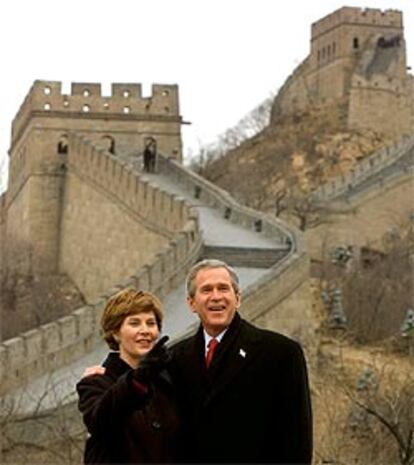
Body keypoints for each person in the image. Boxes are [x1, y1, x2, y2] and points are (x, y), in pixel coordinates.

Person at [170, 259, 313, 464]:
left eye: (223, 288)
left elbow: (297, 439)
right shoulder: (175, 357)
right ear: (191, 303)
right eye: (206, 290)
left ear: (237, 298)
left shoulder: (280, 353)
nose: (216, 296)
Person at [76, 288, 179, 464]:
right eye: (134, 323)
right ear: (116, 333)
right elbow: (100, 419)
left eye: (151, 323)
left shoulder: (168, 383)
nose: (145, 330)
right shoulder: (96, 382)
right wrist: (137, 381)